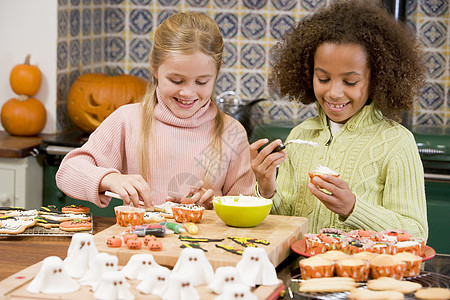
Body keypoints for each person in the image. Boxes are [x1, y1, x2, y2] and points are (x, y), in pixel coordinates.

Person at [250, 0, 428, 239]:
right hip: (303, 272)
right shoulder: (301, 135)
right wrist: (266, 188)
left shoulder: (397, 143)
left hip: (360, 274)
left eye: (350, 82)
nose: (334, 92)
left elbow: (417, 234)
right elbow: (284, 222)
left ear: (376, 79)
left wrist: (353, 208)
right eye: (323, 79)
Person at [56, 12, 255, 209]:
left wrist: (215, 206)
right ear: (154, 67)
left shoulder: (231, 132)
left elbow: (246, 208)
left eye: (202, 81)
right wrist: (110, 178)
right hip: (139, 240)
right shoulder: (128, 121)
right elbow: (67, 173)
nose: (187, 92)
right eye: (176, 80)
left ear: (217, 72)